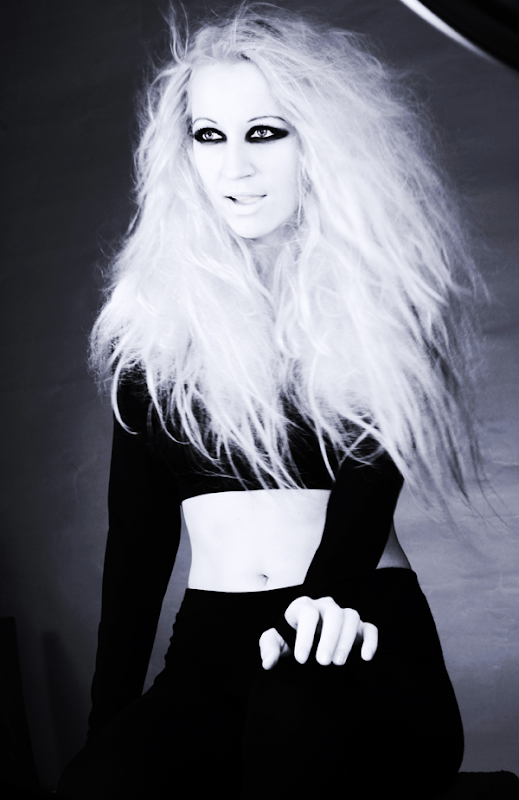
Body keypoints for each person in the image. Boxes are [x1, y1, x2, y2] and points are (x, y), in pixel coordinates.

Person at [57, 3, 485, 798]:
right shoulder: (148, 327)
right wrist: (107, 725)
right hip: (211, 643)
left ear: (319, 141)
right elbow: (138, 543)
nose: (235, 168)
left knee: (292, 738)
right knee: (100, 787)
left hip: (353, 621)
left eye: (265, 133)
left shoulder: (383, 304)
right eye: (208, 136)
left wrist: (323, 596)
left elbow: (368, 491)